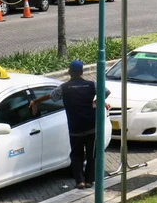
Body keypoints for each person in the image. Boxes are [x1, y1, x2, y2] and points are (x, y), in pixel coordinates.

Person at [29, 60, 110, 189]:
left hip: (75, 128)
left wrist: (35, 101)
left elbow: (50, 96)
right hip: (90, 126)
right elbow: (106, 91)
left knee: (76, 154)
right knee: (91, 154)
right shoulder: (91, 85)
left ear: (69, 72)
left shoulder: (64, 87)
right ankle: (89, 181)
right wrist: (95, 102)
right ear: (82, 72)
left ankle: (80, 181)